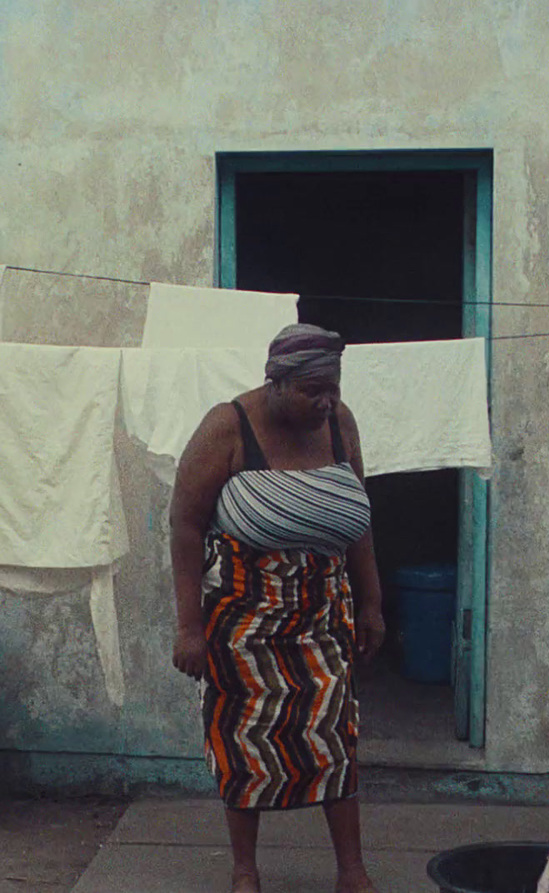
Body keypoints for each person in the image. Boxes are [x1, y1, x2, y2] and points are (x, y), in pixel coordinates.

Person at [169, 323, 387, 893]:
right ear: (278, 384)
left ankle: (351, 871)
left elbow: (359, 520)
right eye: (314, 390)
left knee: (334, 735)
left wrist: (373, 603)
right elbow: (185, 524)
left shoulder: (339, 425)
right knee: (245, 741)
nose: (328, 401)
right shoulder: (228, 426)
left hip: (323, 616)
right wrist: (188, 626)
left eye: (333, 387)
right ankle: (245, 871)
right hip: (243, 617)